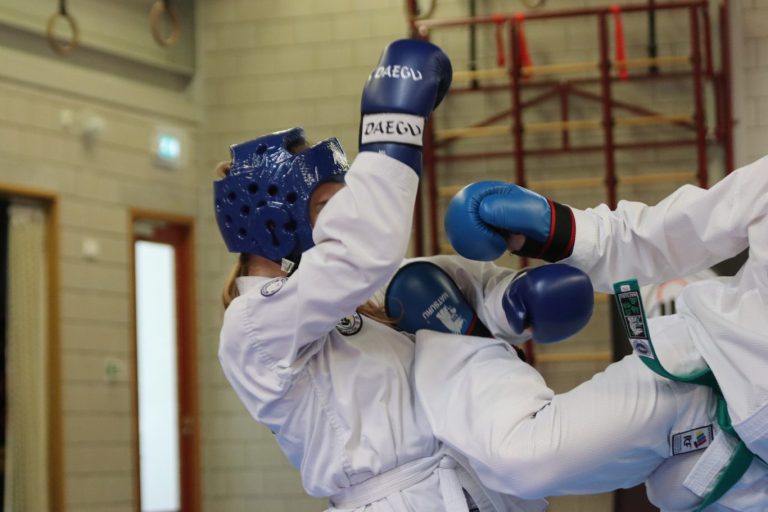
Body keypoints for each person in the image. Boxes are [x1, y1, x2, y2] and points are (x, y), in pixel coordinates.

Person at [213, 38, 593, 512]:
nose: (341, 222)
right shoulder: (253, 325)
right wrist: (393, 125)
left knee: (416, 284)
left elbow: (443, 282)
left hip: (473, 486)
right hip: (399, 501)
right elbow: (365, 248)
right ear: (273, 221)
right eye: (328, 208)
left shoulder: (364, 293)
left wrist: (509, 301)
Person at [429, 162, 768, 510]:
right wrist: (554, 227)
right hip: (699, 374)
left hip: (753, 480)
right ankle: (465, 330)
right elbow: (671, 233)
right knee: (522, 461)